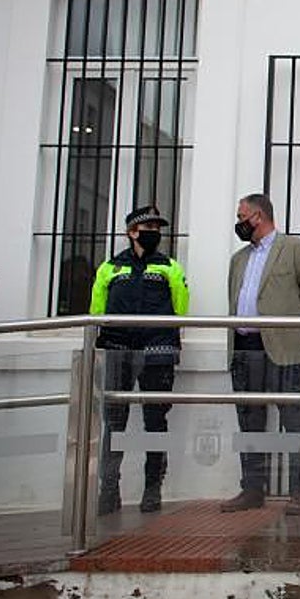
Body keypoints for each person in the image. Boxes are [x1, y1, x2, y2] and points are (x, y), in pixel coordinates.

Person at [222, 193, 300, 513]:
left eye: (242, 216)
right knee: (249, 419)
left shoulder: (293, 248)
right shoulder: (238, 259)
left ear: (259, 216)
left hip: (284, 348)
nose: (238, 222)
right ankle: (252, 488)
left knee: (294, 420)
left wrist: (291, 328)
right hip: (244, 348)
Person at [89, 205, 189, 515]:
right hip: (117, 349)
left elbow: (181, 309)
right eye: (147, 228)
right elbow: (96, 311)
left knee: (155, 422)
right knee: (114, 424)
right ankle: (109, 489)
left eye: (158, 228)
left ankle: (152, 488)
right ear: (131, 232)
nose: (154, 233)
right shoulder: (110, 268)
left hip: (158, 350)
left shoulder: (169, 266)